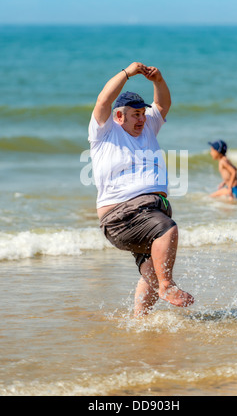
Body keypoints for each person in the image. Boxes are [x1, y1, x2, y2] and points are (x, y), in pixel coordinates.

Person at [88, 62, 194, 317]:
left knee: (150, 269)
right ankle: (167, 286)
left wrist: (158, 80)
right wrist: (127, 73)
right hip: (123, 215)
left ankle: (140, 322)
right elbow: (104, 99)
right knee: (167, 230)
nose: (141, 118)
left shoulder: (147, 128)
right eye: (135, 114)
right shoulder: (104, 133)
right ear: (119, 116)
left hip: (149, 210)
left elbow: (163, 105)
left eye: (142, 113)